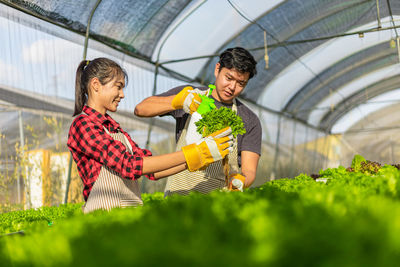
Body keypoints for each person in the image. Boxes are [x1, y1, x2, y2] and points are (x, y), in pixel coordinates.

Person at [67, 57, 233, 213]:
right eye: (118, 86)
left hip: (130, 214)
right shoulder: (83, 125)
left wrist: (199, 157)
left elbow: (153, 171)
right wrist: (194, 152)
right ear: (96, 84)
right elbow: (129, 165)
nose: (122, 95)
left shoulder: (115, 129)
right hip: (102, 216)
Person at [134, 47, 262, 196]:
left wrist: (240, 181)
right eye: (229, 78)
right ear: (217, 69)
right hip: (177, 196)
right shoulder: (192, 96)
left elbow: (249, 171)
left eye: (241, 83)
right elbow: (141, 109)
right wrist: (179, 101)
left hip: (217, 203)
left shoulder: (248, 119)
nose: (232, 87)